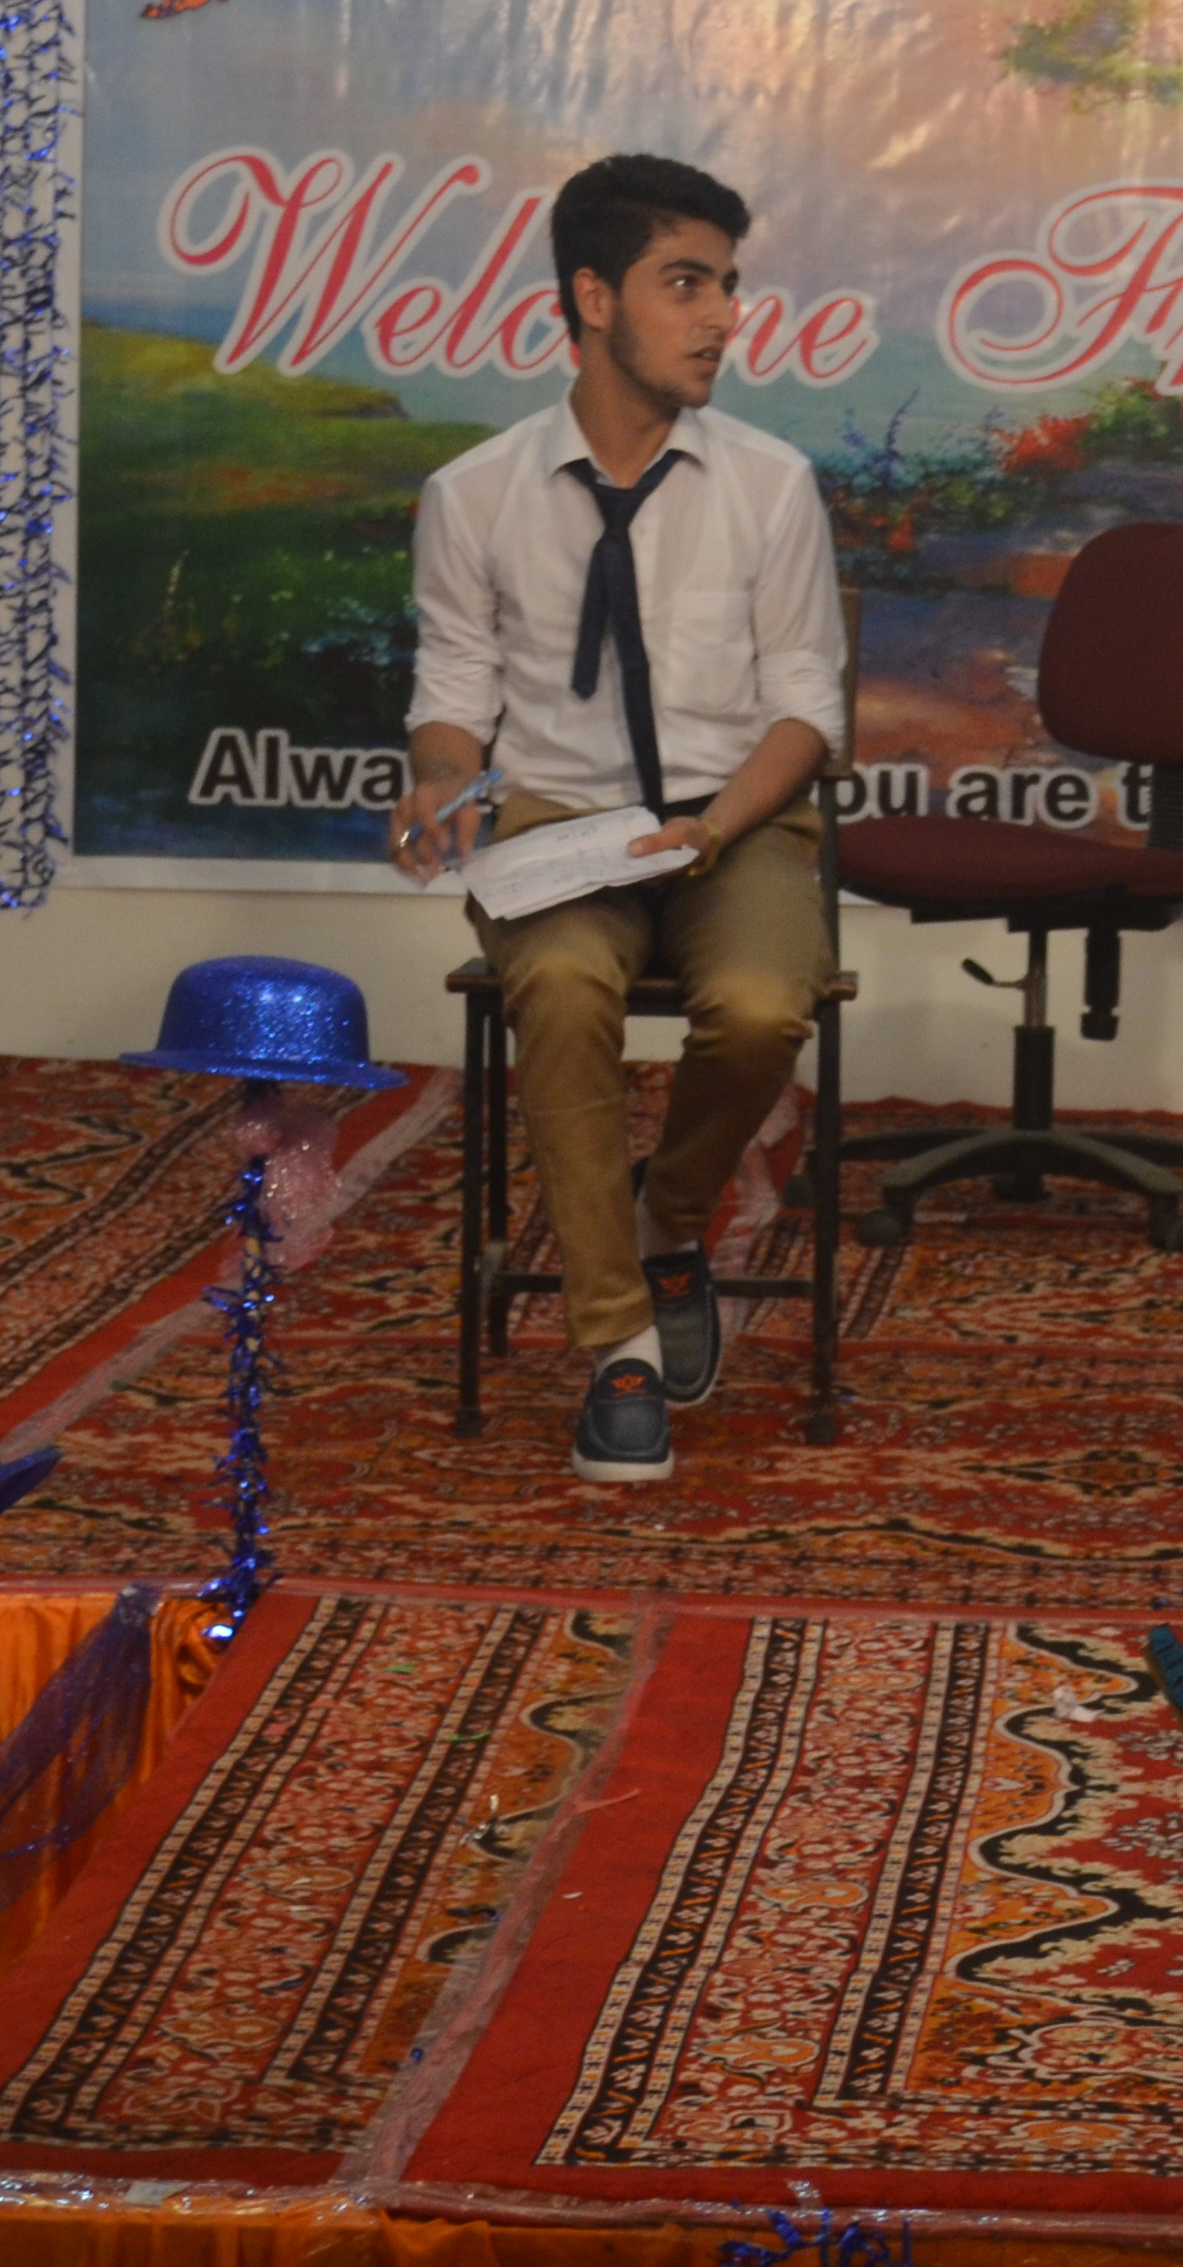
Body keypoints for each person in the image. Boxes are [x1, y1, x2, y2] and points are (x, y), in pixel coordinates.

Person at [389, 154, 846, 1488]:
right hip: (555, 823)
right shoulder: (473, 494)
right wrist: (437, 781)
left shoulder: (771, 484)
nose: (721, 319)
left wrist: (713, 831)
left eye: (728, 286)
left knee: (760, 1005)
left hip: (736, 815)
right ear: (593, 299)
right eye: (684, 285)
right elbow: (452, 701)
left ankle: (670, 1215)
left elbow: (807, 711)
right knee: (563, 985)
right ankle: (620, 1346)